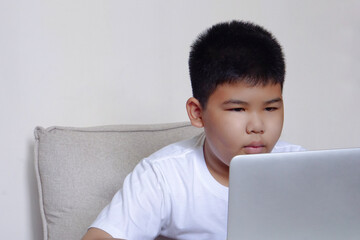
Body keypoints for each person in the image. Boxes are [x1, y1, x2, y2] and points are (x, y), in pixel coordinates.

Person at [82, 20, 305, 240]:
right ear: (198, 113)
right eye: (238, 109)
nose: (257, 126)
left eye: (271, 108)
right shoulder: (164, 175)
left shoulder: (304, 169)